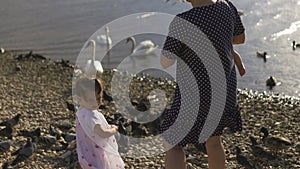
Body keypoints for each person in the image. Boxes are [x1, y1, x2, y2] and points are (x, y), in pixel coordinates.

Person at [159, 0, 246, 169]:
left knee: (173, 143)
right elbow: (239, 38)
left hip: (195, 97)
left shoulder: (183, 21)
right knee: (213, 141)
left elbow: (166, 61)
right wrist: (227, 49)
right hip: (223, 96)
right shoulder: (226, 6)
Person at [75, 77, 125, 169]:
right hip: (98, 153)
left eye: (98, 98)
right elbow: (102, 133)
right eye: (91, 100)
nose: (96, 103)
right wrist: (114, 129)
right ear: (79, 99)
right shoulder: (93, 116)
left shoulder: (80, 112)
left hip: (86, 152)